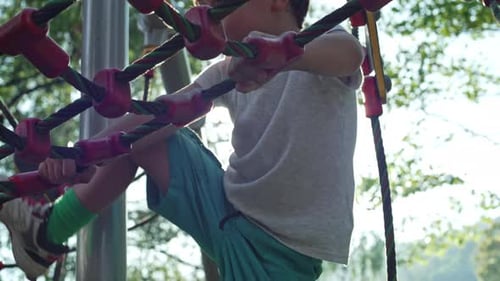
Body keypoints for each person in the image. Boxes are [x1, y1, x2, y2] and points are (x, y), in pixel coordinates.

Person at [0, 0, 364, 279]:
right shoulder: (226, 71)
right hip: (224, 211)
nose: (207, 11)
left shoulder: (321, 50)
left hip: (284, 257)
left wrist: (281, 57)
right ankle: (48, 231)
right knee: (143, 136)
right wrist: (83, 155)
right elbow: (158, 113)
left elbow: (351, 55)